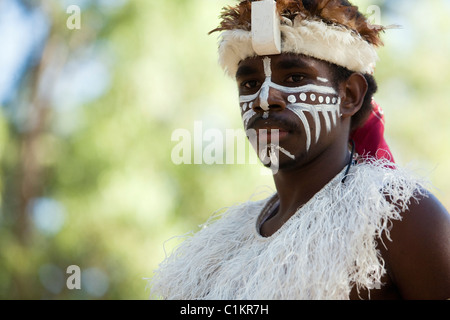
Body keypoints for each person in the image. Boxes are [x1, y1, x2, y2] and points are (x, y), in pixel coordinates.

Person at [150, 0, 450, 300]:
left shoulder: (399, 218)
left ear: (349, 95)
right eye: (250, 82)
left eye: (295, 77)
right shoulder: (215, 252)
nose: (264, 99)